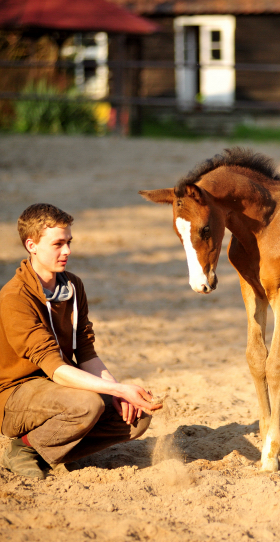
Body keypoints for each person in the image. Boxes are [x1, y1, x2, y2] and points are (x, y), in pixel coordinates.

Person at [0, 203, 162, 479]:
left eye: (69, 242)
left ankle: (53, 451)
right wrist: (119, 390)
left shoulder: (73, 286)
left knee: (136, 418)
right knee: (88, 405)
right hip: (15, 395)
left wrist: (117, 394)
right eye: (58, 244)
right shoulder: (14, 297)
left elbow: (86, 352)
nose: (67, 252)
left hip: (58, 387)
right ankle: (23, 449)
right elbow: (54, 367)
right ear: (32, 245)